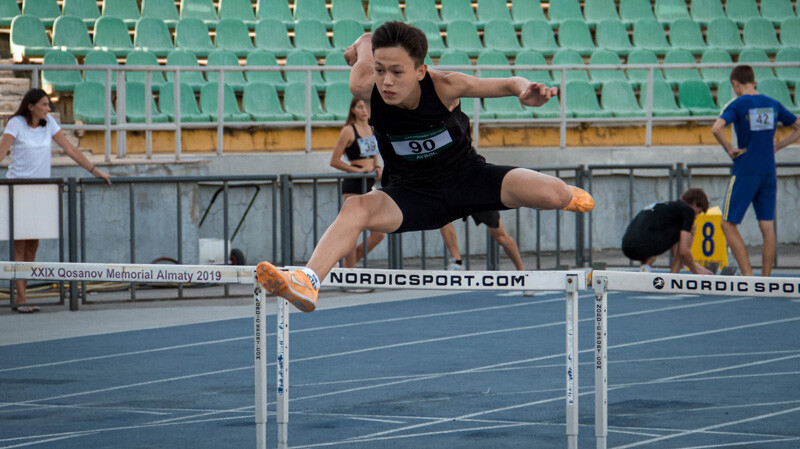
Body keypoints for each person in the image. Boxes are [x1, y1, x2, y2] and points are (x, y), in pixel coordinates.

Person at [256, 22, 594, 312]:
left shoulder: (446, 85)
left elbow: (507, 84)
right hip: (410, 194)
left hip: (468, 178)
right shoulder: (364, 85)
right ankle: (307, 281)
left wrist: (525, 91)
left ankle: (565, 193)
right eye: (380, 69)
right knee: (355, 206)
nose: (386, 81)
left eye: (397, 72)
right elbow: (365, 53)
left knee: (553, 193)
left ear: (420, 71)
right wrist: (362, 45)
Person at [0, 88, 111, 313]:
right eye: (44, 104)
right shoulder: (16, 123)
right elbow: (1, 151)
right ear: (31, 106)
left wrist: (95, 171)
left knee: (33, 244)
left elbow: (70, 149)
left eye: (48, 104)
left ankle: (24, 293)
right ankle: (20, 298)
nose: (48, 108)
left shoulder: (49, 122)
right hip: (19, 189)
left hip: (41, 190)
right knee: (19, 245)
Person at [711, 65, 800, 277]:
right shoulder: (772, 103)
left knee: (728, 223)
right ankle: (766, 278)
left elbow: (716, 128)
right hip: (768, 170)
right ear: (754, 81)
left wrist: (729, 149)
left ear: (735, 84)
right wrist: (778, 146)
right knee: (767, 226)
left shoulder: (739, 103)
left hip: (745, 169)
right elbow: (798, 126)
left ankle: (748, 276)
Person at [329, 98, 386, 269]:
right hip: (353, 183)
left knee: (379, 234)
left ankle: (347, 267)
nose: (364, 110)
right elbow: (334, 161)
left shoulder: (371, 128)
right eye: (360, 107)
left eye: (365, 107)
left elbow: (374, 155)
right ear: (353, 109)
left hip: (369, 182)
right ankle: (351, 274)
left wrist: (377, 167)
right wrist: (357, 171)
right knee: (353, 232)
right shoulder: (348, 130)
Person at [440, 211, 536, 296]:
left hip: (477, 196)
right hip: (456, 195)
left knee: (501, 237)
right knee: (442, 217)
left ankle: (522, 274)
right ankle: (457, 262)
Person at [621, 188, 714, 275]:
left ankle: (645, 268)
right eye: (699, 212)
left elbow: (676, 251)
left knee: (677, 235)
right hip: (645, 243)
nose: (696, 216)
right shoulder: (688, 210)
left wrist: (694, 265)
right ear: (694, 203)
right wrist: (697, 271)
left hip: (627, 246)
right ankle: (673, 277)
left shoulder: (665, 206)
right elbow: (683, 251)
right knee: (692, 228)